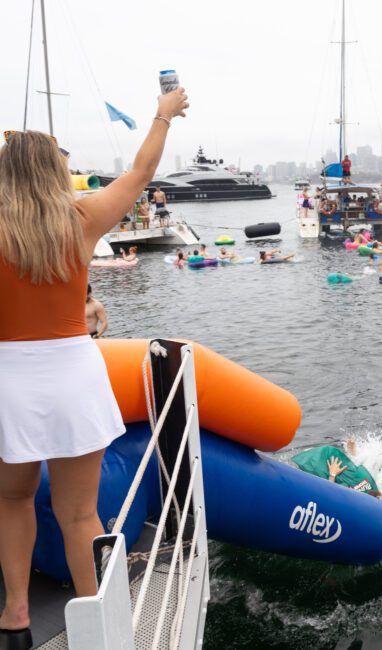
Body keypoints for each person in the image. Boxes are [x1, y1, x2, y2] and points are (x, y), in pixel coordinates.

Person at [0, 87, 189, 640]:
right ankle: (96, 620)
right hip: (72, 374)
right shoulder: (82, 217)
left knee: (11, 498)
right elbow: (141, 170)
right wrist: (163, 114)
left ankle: (15, 615)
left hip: (11, 376)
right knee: (79, 513)